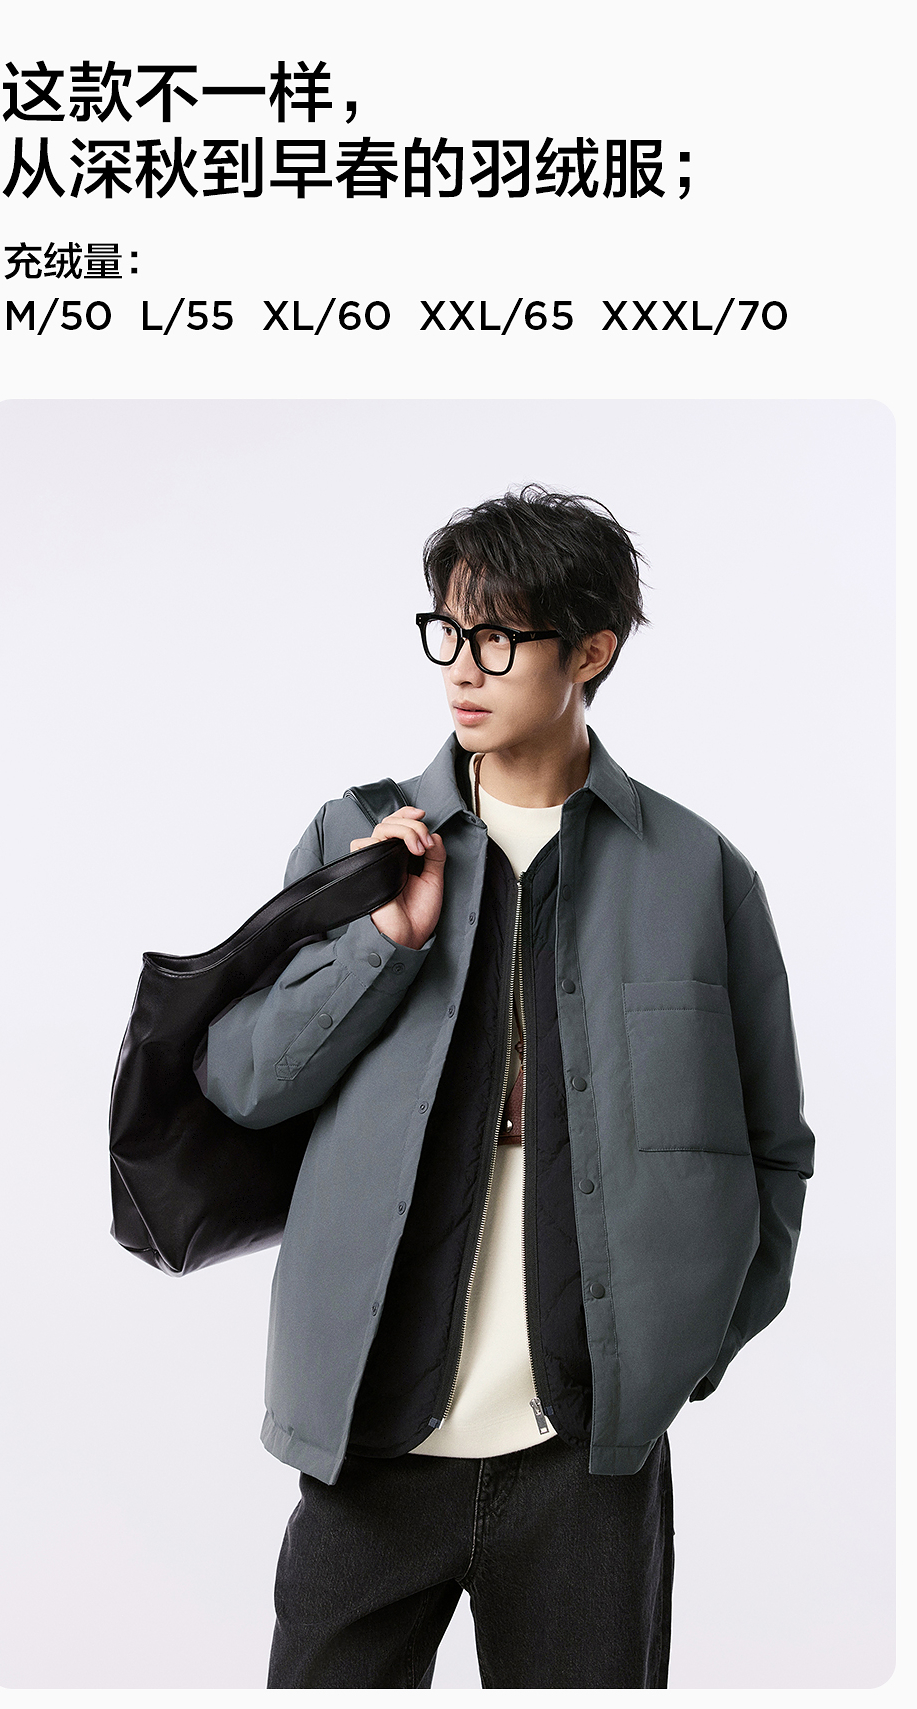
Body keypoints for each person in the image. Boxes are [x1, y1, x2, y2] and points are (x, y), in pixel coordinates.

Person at [202, 485, 814, 1689]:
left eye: (496, 637)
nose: (460, 667)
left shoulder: (697, 874)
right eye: (446, 628)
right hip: (371, 1442)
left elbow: (771, 1150)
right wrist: (382, 940)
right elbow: (246, 1080)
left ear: (591, 651)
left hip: (587, 1459)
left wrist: (680, 1355)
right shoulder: (358, 836)